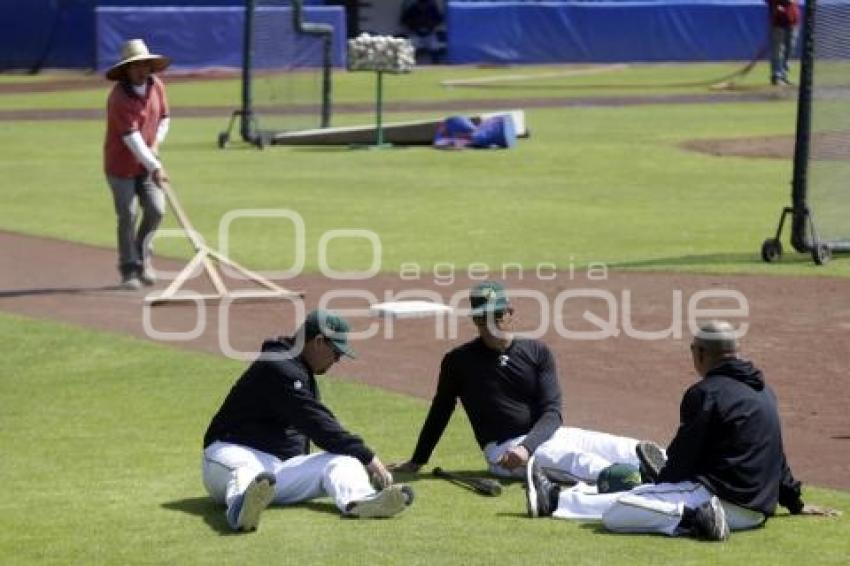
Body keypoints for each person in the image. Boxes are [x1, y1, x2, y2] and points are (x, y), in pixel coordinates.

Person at [526, 320, 841, 541]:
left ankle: (697, 523)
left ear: (701, 353)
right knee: (641, 498)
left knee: (620, 511)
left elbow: (683, 457)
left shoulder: (705, 393)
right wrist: (795, 503)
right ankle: (553, 499)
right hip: (756, 510)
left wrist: (659, 484)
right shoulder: (764, 391)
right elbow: (777, 456)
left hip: (719, 502)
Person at [391, 281, 665, 487]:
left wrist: (527, 447)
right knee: (580, 463)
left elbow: (552, 412)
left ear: (510, 312)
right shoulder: (458, 361)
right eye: (485, 318)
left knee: (623, 447)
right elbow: (441, 410)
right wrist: (418, 460)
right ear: (475, 320)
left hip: (544, 436)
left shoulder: (537, 352)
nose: (494, 323)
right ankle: (640, 485)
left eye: (499, 315)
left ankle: (678, 469)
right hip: (503, 450)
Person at [202, 310, 414, 532]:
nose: (338, 359)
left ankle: (362, 500)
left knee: (344, 460)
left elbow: (321, 422)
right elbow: (316, 423)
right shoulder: (277, 366)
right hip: (227, 455)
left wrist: (358, 457)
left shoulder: (301, 372)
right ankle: (240, 509)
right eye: (336, 352)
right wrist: (368, 457)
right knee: (247, 470)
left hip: (276, 474)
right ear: (319, 342)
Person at [104, 38, 171, 290]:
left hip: (147, 162)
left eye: (145, 64)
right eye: (136, 66)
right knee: (128, 214)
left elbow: (164, 118)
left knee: (156, 209)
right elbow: (131, 139)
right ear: (126, 70)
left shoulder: (157, 87)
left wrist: (156, 144)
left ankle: (144, 257)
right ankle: (129, 268)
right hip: (120, 166)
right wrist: (155, 165)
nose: (142, 70)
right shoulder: (119, 98)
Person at [766, 0, 800, 86]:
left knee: (790, 48)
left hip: (793, 20)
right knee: (778, 50)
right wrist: (776, 5)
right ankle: (777, 76)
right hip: (778, 21)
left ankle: (784, 75)